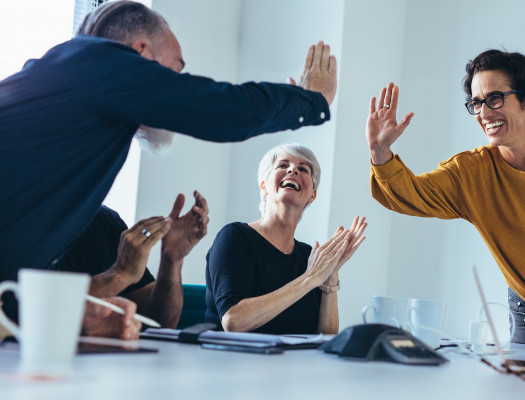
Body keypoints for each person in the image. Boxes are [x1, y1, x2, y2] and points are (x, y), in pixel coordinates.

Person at [0, 1, 336, 328]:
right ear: (142, 52)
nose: (175, 87)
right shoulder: (101, 64)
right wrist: (310, 99)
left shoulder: (58, 79)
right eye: (175, 73)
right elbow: (216, 106)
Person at [366, 49, 525, 353]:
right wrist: (379, 152)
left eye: (494, 98)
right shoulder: (470, 172)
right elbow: (409, 194)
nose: (484, 113)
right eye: (476, 103)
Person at [206, 143, 366, 334]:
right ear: (264, 185)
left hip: (293, 363)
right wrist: (310, 278)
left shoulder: (312, 257)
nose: (292, 170)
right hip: (232, 361)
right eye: (283, 165)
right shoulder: (235, 237)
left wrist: (330, 275)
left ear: (312, 195)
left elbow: (326, 338)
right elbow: (233, 322)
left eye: (303, 169)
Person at [55, 191, 209, 330]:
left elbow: (159, 323)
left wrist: (171, 261)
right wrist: (120, 275)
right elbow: (41, 311)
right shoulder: (32, 221)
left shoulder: (103, 220)